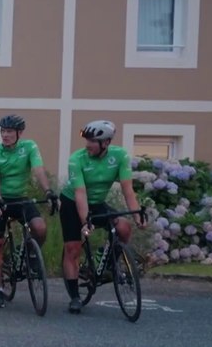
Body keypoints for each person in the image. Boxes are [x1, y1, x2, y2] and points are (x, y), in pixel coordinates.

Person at [59, 120, 147, 314]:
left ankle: (105, 261)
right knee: (72, 248)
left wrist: (137, 215)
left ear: (106, 143)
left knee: (123, 227)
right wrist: (85, 222)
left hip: (97, 203)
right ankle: (74, 297)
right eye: (87, 140)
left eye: (92, 141)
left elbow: (128, 190)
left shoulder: (120, 156)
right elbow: (80, 194)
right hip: (72, 203)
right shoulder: (77, 159)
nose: (87, 145)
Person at [0, 114, 59, 308]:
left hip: (20, 197)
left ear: (19, 133)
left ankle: (29, 254)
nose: (5, 135)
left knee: (39, 228)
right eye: (3, 131)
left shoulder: (29, 147)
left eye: (9, 131)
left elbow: (38, 169)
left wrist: (48, 191)